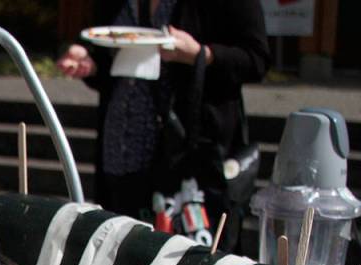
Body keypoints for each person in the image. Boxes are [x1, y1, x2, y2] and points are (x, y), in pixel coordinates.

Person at [57, 0, 269, 234]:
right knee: (118, 252)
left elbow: (256, 60)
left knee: (181, 259)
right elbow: (115, 63)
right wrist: (90, 62)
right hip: (120, 148)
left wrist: (201, 55)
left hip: (188, 155)